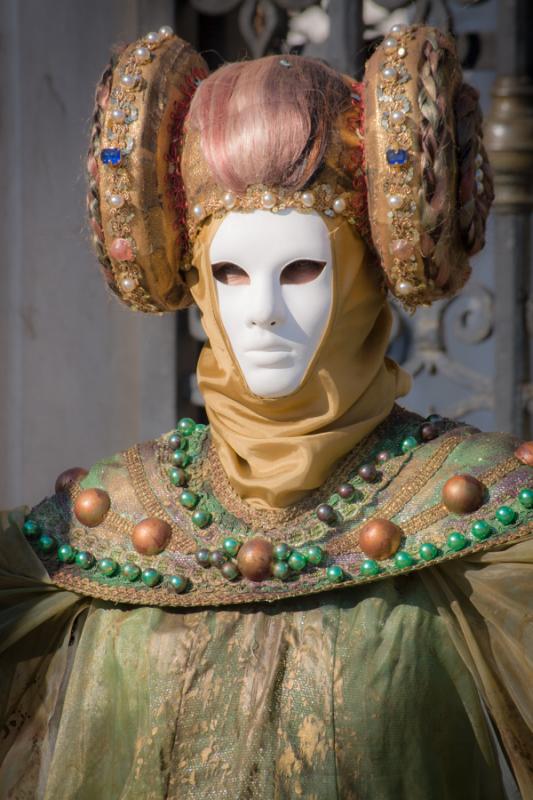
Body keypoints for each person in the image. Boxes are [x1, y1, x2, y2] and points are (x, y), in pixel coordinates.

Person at [0, 22, 532, 800]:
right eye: (232, 273)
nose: (262, 313)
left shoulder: (484, 519)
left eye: (303, 269)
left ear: (360, 277)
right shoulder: (93, 530)